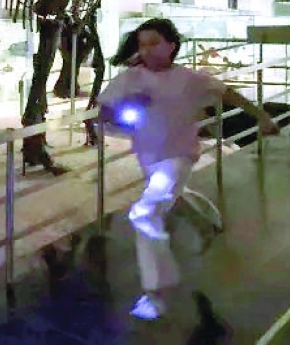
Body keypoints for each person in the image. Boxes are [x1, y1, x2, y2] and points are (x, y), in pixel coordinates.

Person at [96, 17, 277, 321]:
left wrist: (262, 117)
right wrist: (124, 109)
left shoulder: (190, 79)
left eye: (154, 42)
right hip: (148, 155)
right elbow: (104, 112)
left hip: (179, 156)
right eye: (142, 44)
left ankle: (158, 290)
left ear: (171, 45)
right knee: (171, 195)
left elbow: (227, 93)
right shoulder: (129, 79)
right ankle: (205, 224)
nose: (147, 50)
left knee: (145, 212)